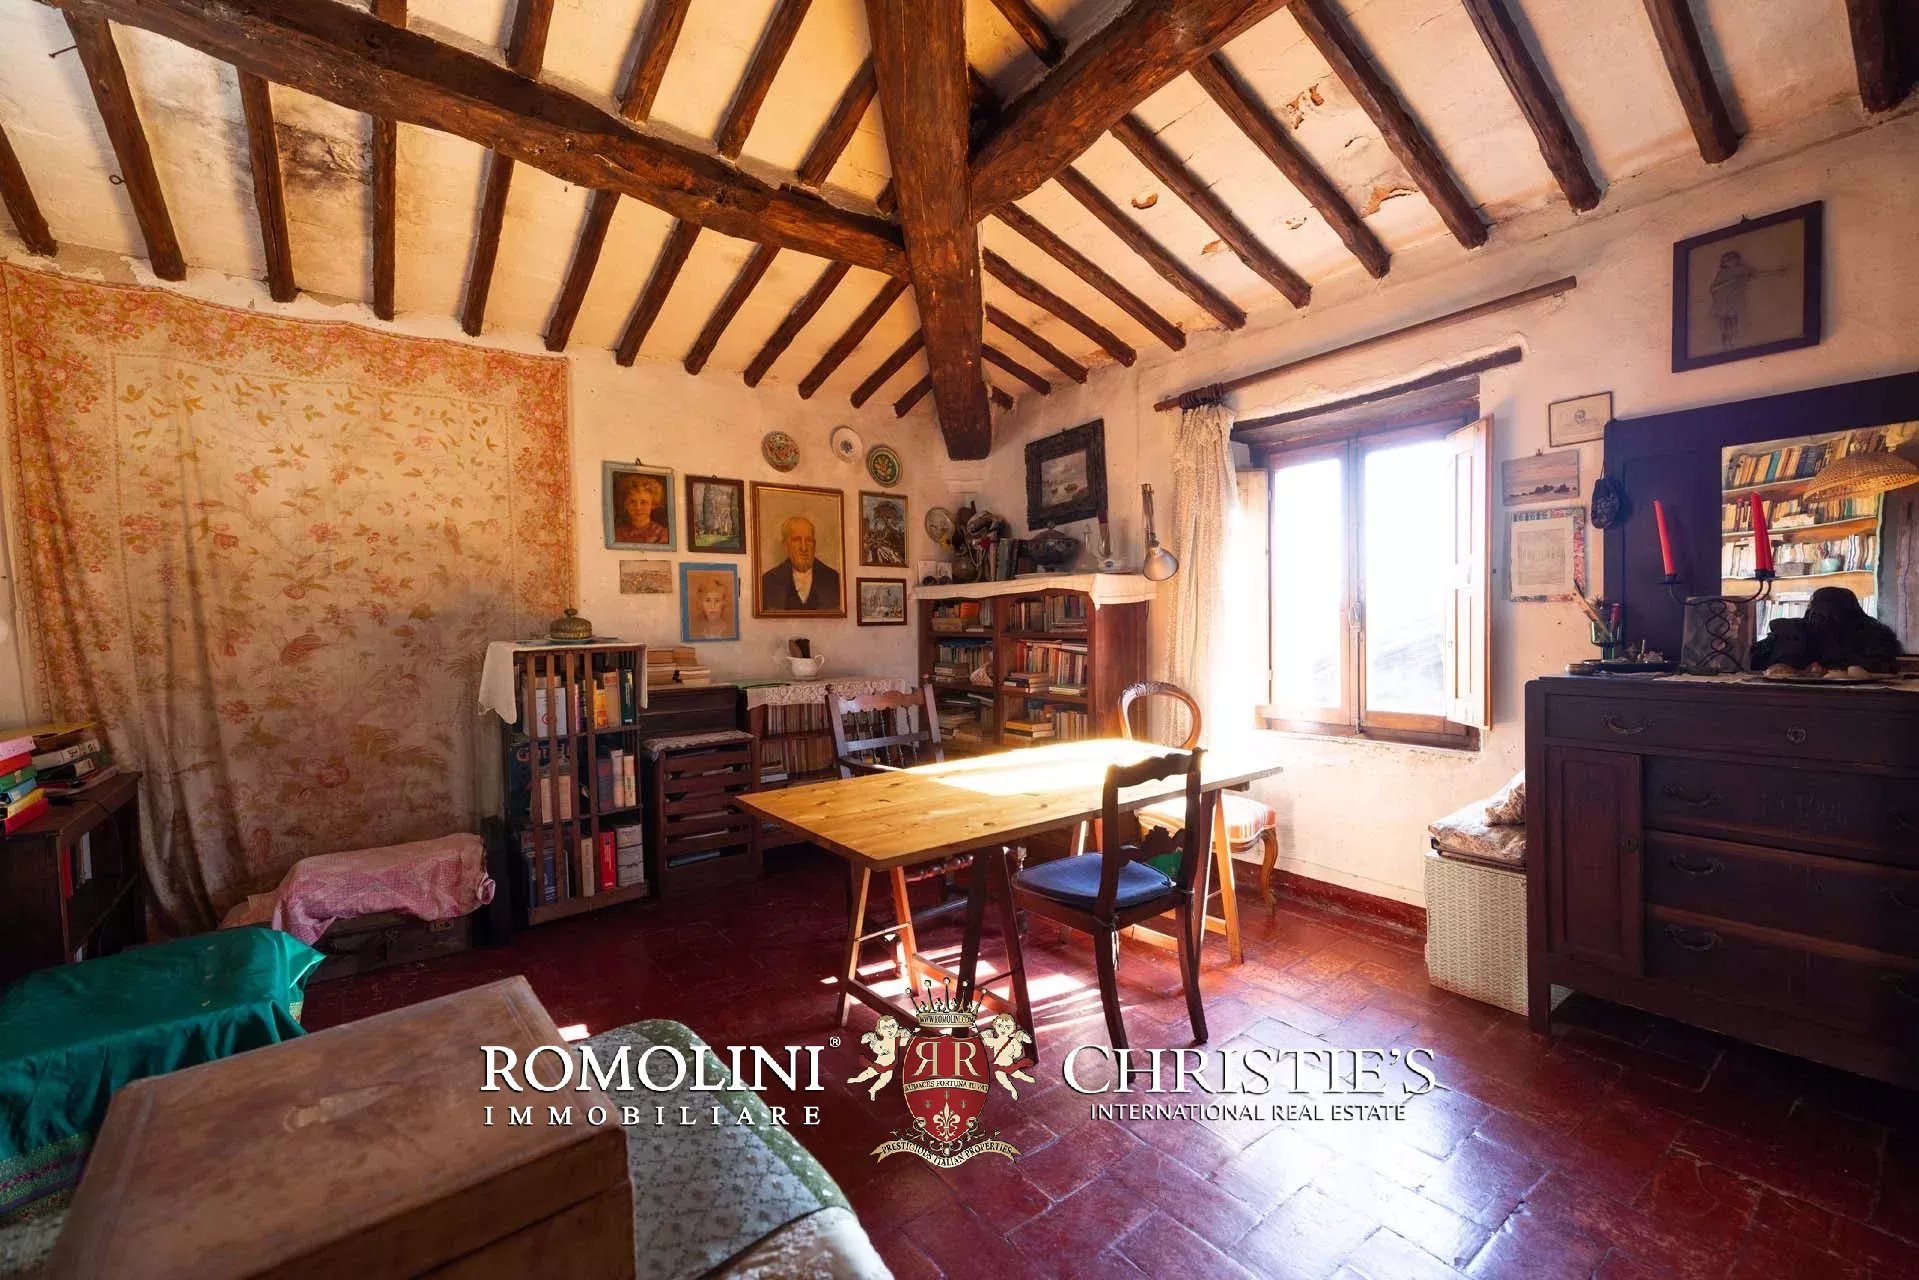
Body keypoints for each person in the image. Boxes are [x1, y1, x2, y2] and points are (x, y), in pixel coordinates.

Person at [760, 514, 841, 612]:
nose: (803, 548)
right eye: (796, 540)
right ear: (785, 546)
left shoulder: (834, 579)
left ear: (814, 545)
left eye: (809, 540)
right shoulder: (768, 582)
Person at [613, 474, 669, 545]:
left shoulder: (662, 534)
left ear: (653, 504)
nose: (638, 507)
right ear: (626, 505)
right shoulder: (617, 533)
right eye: (632, 502)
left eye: (643, 502)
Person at [688, 575, 733, 640]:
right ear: (701, 603)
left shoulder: (730, 628)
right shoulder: (696, 629)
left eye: (717, 600)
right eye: (707, 600)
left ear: (723, 603)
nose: (712, 606)